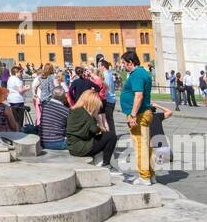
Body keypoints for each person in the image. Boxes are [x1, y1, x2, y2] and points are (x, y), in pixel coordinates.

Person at [118, 50, 155, 185]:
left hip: (139, 114)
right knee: (146, 145)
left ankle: (144, 176)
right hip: (143, 112)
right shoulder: (143, 72)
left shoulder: (136, 75)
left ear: (130, 62)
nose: (123, 66)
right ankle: (151, 174)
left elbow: (138, 95)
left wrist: (133, 115)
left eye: (124, 63)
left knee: (140, 146)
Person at [66, 88, 116, 168]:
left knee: (105, 137)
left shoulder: (74, 110)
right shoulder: (86, 115)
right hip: (81, 148)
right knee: (111, 136)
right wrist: (99, 122)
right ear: (91, 103)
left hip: (73, 146)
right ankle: (106, 164)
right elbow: (96, 131)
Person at [37, 81, 69, 150]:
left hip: (42, 141)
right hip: (57, 142)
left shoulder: (45, 106)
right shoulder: (65, 110)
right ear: (64, 97)